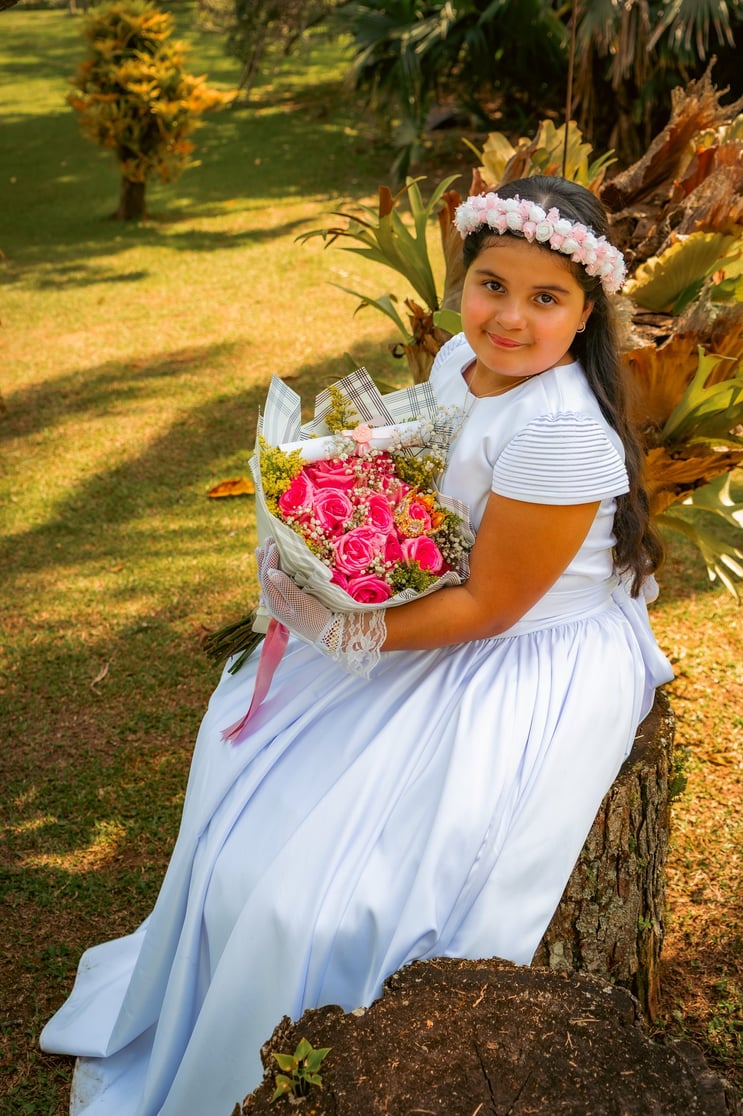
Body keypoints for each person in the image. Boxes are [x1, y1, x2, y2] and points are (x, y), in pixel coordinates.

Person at [41, 175, 673, 1116]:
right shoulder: (462, 354)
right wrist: (334, 527)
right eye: (492, 285)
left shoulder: (563, 435)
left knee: (331, 894)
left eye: (546, 300)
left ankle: (305, 1056)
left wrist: (342, 623)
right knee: (241, 773)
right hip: (434, 607)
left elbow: (494, 605)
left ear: (585, 316)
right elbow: (414, 476)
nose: (509, 318)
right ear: (465, 285)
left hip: (513, 654)